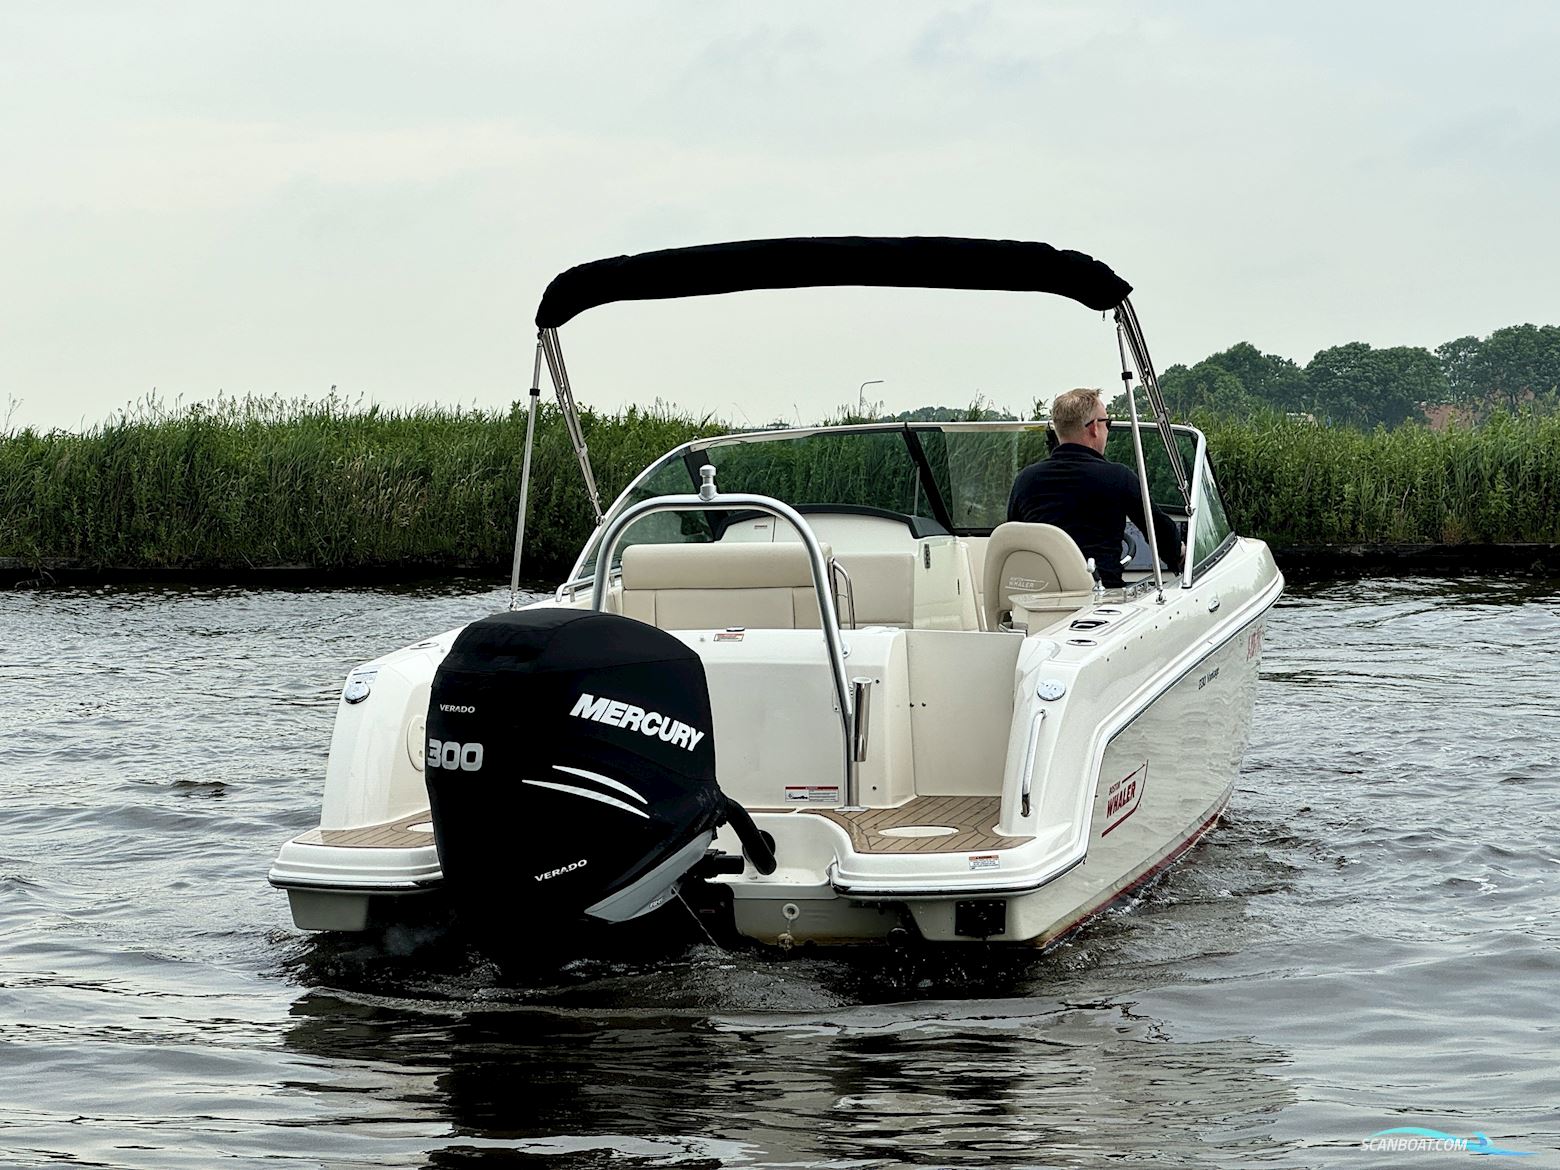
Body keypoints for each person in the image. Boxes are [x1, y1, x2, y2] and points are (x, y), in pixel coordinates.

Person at [1006, 388, 1183, 588]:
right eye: (1108, 423)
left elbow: (1014, 541)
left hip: (1041, 597)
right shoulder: (1119, 478)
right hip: (1102, 597)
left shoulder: (1025, 480)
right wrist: (1179, 554)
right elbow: (1159, 532)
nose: (1107, 429)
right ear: (1094, 428)